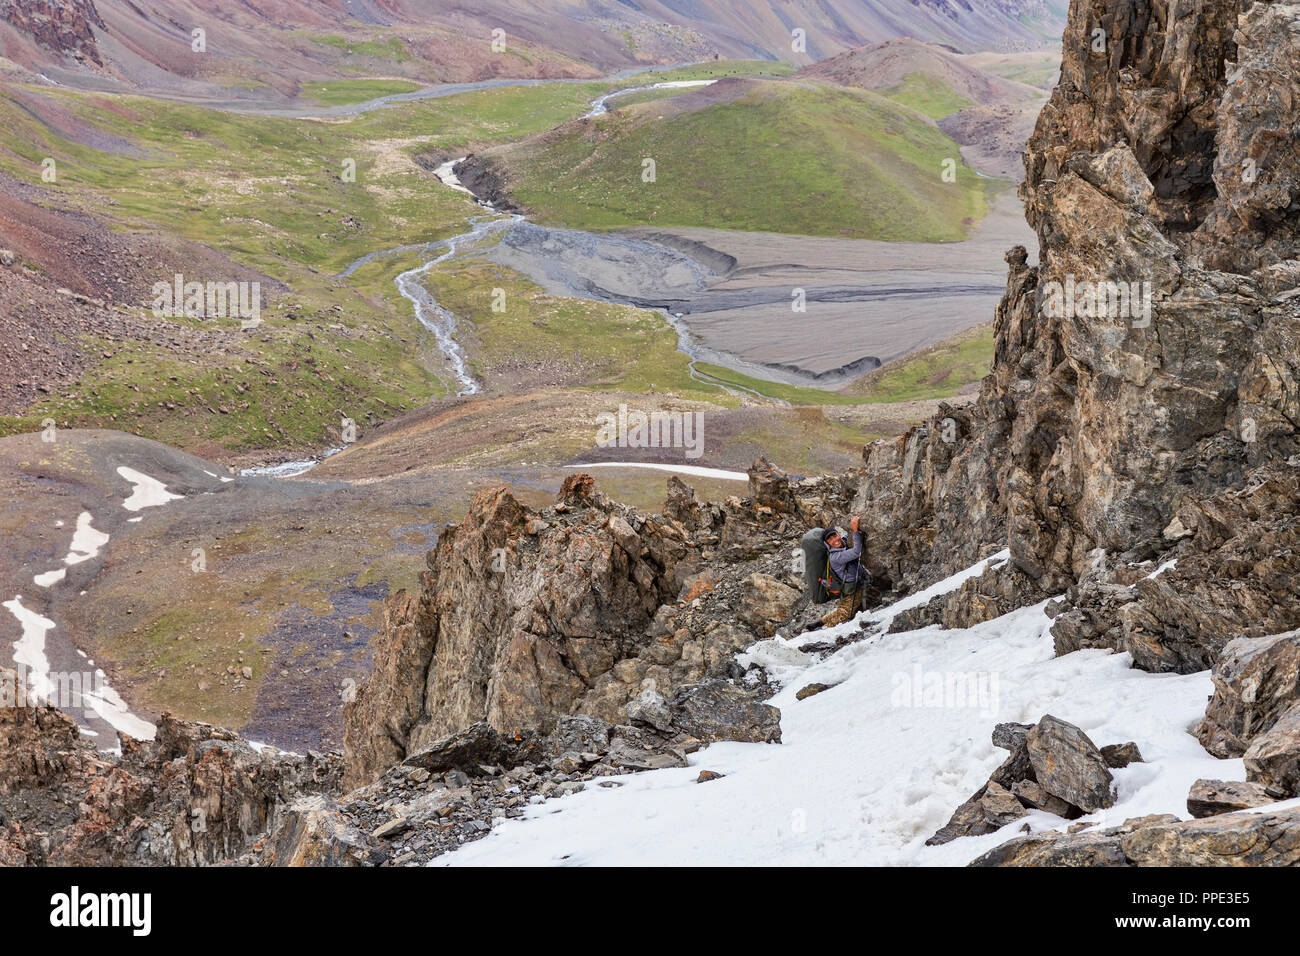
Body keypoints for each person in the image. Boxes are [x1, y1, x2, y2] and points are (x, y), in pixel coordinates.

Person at [806, 515, 867, 630]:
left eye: (835, 535)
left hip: (856, 585)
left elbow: (844, 538)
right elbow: (856, 552)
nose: (834, 540)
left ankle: (820, 622)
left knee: (845, 607)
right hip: (852, 592)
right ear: (827, 544)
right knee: (845, 613)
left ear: (838, 534)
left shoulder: (842, 542)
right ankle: (824, 630)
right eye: (830, 539)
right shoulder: (836, 557)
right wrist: (855, 530)